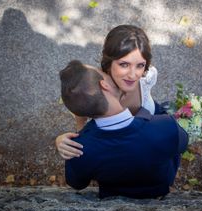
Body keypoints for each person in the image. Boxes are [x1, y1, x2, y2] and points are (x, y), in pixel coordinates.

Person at [59, 60, 188, 199]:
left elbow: (76, 183)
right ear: (105, 85)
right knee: (164, 108)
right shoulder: (166, 127)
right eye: (104, 74)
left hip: (112, 195)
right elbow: (184, 142)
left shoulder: (78, 150)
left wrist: (80, 130)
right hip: (159, 188)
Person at [57, 24, 166, 160]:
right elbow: (81, 123)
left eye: (140, 65)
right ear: (109, 62)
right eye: (124, 64)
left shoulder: (148, 77)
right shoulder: (94, 89)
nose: (133, 75)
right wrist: (61, 140)